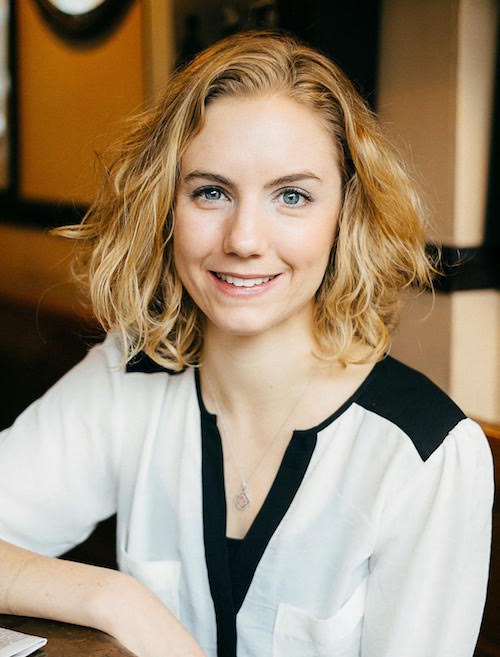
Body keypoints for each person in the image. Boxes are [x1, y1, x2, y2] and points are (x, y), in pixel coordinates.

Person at [0, 30, 493, 657]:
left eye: (292, 196)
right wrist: (117, 601)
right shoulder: (128, 378)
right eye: (211, 191)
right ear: (166, 207)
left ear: (346, 215)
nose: (244, 239)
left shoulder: (423, 456)